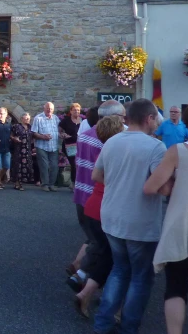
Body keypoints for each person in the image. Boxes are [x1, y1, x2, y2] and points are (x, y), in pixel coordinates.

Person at [91, 99, 167, 334]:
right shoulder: (155, 147)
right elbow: (162, 187)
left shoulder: (112, 141)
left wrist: (119, 183)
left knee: (119, 270)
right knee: (141, 277)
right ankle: (128, 327)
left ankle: (102, 323)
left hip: (112, 216)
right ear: (149, 119)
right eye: (155, 118)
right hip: (139, 221)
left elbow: (96, 175)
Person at [143, 104, 188, 334]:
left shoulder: (177, 151)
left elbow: (151, 187)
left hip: (181, 222)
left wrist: (172, 187)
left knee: (176, 285)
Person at [72, 115, 125, 317]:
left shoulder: (103, 149)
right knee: (115, 258)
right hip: (106, 208)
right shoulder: (115, 151)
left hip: (92, 205)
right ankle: (111, 306)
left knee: (105, 253)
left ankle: (83, 280)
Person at [32, 102, 60, 192]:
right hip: (41, 146)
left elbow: (60, 130)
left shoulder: (56, 118)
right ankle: (45, 184)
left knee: (54, 166)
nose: (49, 110)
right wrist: (43, 137)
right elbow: (34, 133)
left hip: (54, 146)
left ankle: (51, 184)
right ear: (44, 108)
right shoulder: (38, 118)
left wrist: (62, 134)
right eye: (48, 108)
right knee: (44, 166)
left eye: (51, 109)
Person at [59, 103, 83, 190]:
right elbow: (60, 131)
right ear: (71, 111)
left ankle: (78, 183)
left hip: (80, 146)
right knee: (74, 164)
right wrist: (63, 134)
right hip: (70, 146)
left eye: (78, 110)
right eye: (74, 110)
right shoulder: (66, 121)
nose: (76, 112)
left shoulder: (83, 121)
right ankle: (73, 183)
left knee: (79, 164)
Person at [10, 112, 34, 189]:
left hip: (27, 150)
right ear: (21, 119)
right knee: (18, 166)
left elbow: (33, 137)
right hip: (18, 149)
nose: (27, 119)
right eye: (26, 118)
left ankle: (22, 183)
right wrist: (14, 138)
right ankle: (17, 183)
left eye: (28, 118)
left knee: (26, 166)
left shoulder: (30, 127)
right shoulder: (16, 126)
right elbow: (11, 135)